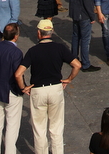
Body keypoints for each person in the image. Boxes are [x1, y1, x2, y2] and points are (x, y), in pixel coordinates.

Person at [14, 19, 81, 154]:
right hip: (55, 89)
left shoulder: (33, 51)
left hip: (38, 90)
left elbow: (18, 74)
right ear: (52, 32)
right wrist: (68, 79)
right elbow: (77, 65)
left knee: (39, 130)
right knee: (56, 129)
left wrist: (24, 87)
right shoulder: (60, 48)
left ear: (39, 33)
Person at [0, 22, 24, 154]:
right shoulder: (16, 52)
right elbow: (17, 75)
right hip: (11, 92)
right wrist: (21, 90)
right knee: (12, 126)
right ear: (16, 36)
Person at [70, 0, 100, 72]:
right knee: (85, 40)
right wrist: (92, 15)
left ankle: (73, 57)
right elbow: (87, 1)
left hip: (74, 12)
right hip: (84, 14)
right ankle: (85, 63)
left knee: (75, 36)